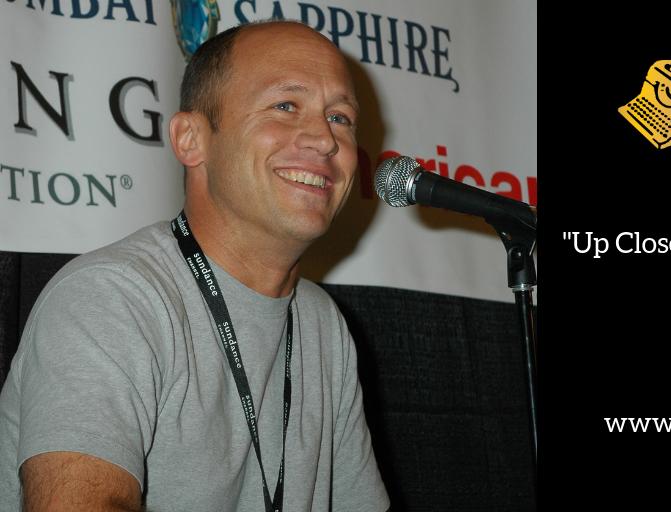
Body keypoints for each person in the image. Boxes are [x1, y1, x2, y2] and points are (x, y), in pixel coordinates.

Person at [0, 20, 390, 511]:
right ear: (190, 139)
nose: (325, 139)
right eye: (285, 106)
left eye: (340, 117)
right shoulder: (111, 297)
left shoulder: (321, 323)